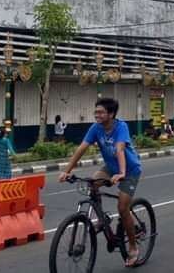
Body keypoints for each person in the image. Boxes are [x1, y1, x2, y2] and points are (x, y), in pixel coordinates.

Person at [58, 98, 143, 267]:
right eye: (96, 112)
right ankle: (100, 218)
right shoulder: (96, 128)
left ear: (111, 114)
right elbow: (82, 148)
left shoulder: (121, 127)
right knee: (93, 182)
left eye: (101, 112)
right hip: (111, 167)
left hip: (130, 170)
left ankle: (133, 247)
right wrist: (66, 171)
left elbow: (119, 149)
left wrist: (122, 173)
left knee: (122, 208)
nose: (97, 115)